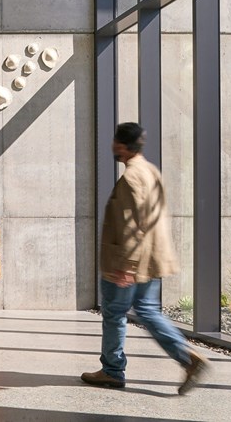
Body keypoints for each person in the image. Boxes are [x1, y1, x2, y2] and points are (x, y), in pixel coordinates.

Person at [82, 122, 209, 394]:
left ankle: (112, 371)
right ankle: (187, 358)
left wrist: (125, 266)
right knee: (148, 310)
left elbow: (131, 226)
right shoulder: (151, 171)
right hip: (151, 259)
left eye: (116, 141)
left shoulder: (131, 177)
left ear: (122, 145)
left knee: (114, 313)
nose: (113, 146)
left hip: (129, 263)